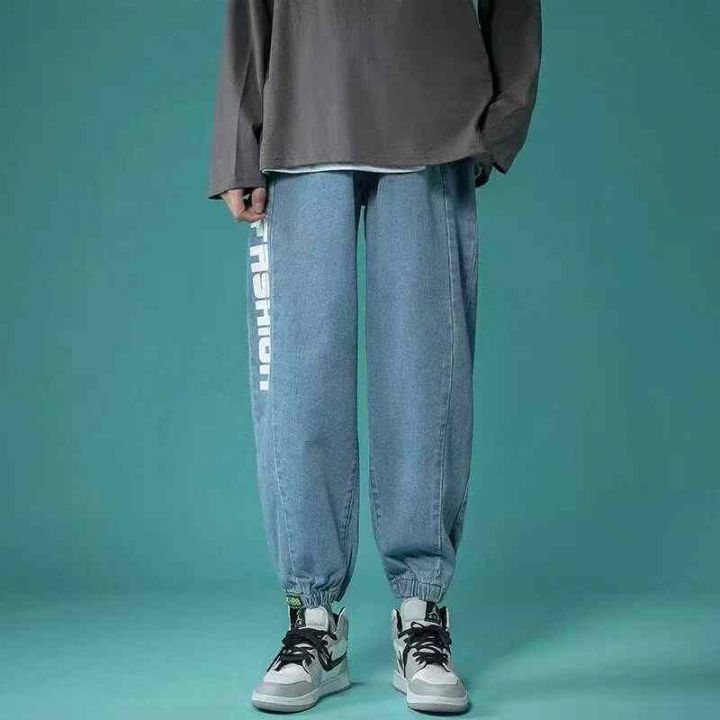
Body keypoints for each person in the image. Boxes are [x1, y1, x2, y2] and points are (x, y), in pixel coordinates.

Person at [207, 0, 541, 713]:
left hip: (434, 117)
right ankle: (313, 621)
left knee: (425, 381)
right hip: (302, 115)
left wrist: (502, 115)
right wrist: (238, 143)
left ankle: (421, 614)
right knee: (300, 383)